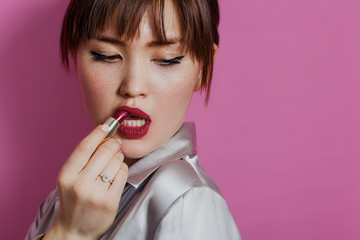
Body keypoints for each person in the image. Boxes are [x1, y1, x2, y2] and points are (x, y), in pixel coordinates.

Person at [26, 0, 241, 239]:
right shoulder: (65, 198)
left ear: (204, 68)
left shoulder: (187, 202)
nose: (133, 87)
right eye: (106, 56)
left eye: (167, 59)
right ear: (76, 57)